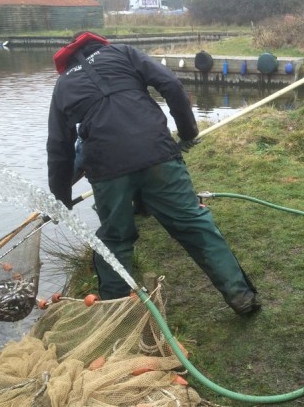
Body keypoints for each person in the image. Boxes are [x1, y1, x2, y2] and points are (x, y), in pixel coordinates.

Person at [47, 31, 260, 315]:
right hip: (156, 152)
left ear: (67, 57)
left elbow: (59, 148)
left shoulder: (63, 85)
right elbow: (171, 84)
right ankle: (241, 297)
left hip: (107, 169)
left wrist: (60, 199)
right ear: (96, 43)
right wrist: (187, 132)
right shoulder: (123, 52)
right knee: (193, 224)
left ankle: (114, 313)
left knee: (114, 239)